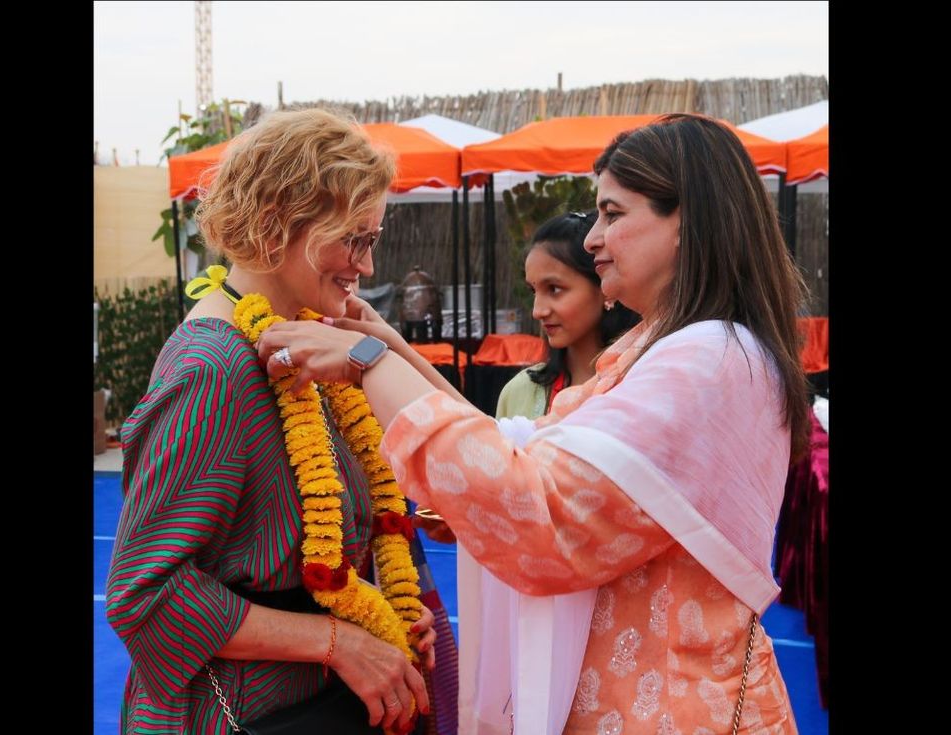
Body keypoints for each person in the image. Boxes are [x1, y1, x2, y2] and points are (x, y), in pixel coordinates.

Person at [255, 112, 809, 734]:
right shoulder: (667, 349)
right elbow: (519, 451)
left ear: (688, 222)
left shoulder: (706, 362)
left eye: (612, 214)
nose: (593, 238)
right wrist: (392, 349)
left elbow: (536, 509)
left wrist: (371, 364)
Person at [105, 108, 448, 735]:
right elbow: (144, 593)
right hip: (250, 714)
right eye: (354, 240)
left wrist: (382, 609)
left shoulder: (306, 341)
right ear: (274, 226)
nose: (367, 267)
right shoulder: (214, 368)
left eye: (371, 240)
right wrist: (339, 642)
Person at [496, 209, 641, 420]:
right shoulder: (519, 393)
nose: (538, 311)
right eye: (533, 291)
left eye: (554, 289)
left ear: (605, 288)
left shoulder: (639, 386)